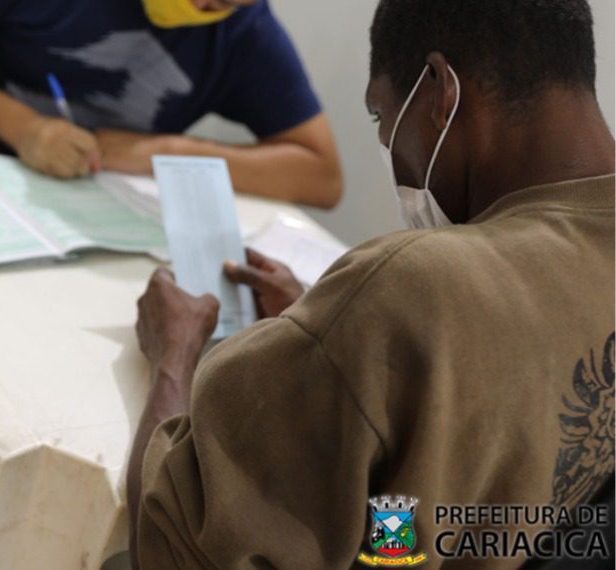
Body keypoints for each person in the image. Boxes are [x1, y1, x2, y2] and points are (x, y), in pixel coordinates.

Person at [128, 0, 615, 567]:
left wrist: (174, 353)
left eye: (381, 117)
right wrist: (327, 334)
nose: (387, 147)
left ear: (439, 91)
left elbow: (165, 545)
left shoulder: (407, 289)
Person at [0, 0, 342, 207]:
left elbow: (321, 177)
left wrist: (168, 152)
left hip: (75, 226)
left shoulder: (244, 32)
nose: (201, 4)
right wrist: (24, 129)